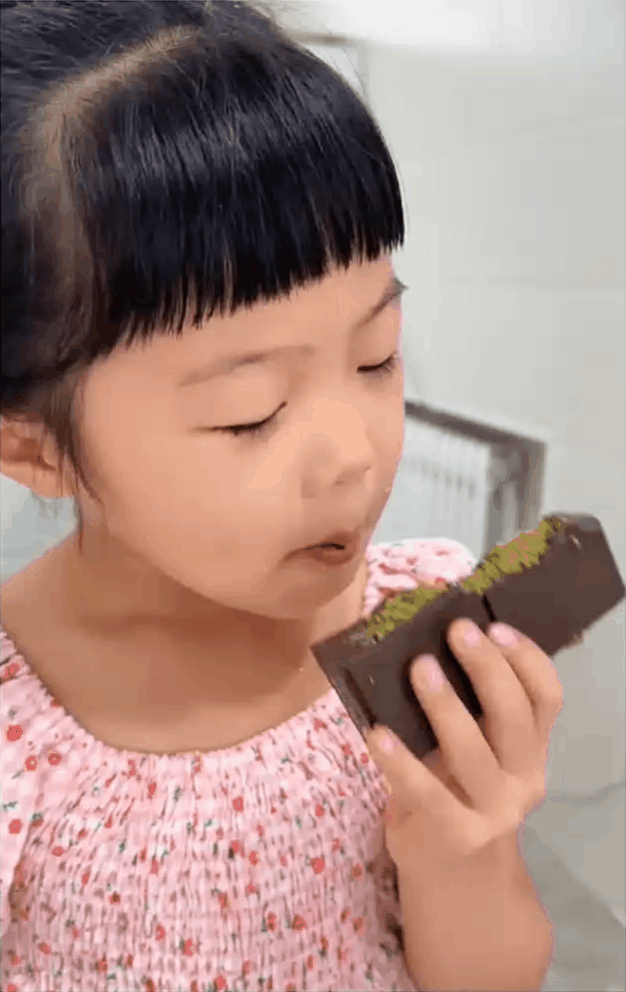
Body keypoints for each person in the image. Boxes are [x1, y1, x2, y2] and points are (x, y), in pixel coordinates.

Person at [0, 3, 480, 990]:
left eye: (376, 356)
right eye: (249, 414)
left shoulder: (419, 633)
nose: (353, 457)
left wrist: (464, 844)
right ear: (35, 448)